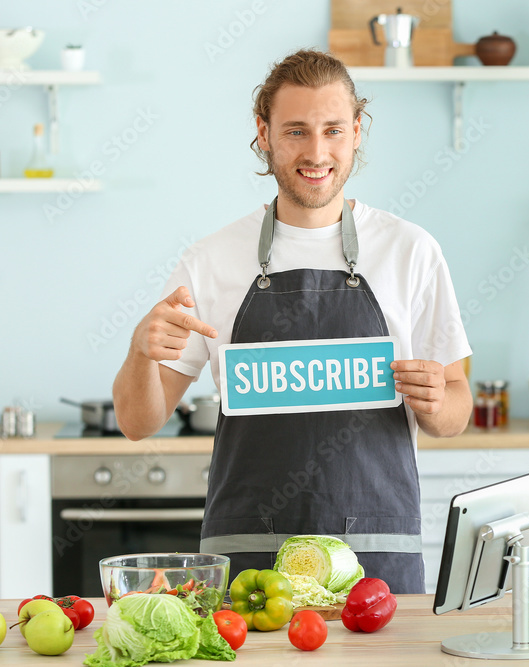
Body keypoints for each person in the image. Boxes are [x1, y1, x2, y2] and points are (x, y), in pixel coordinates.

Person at [112, 49, 473, 594]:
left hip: (375, 561)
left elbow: (456, 408)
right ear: (265, 134)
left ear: (356, 131)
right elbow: (137, 423)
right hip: (247, 563)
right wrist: (141, 352)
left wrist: (437, 402)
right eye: (297, 131)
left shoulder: (412, 251)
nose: (317, 152)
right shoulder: (209, 261)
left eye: (332, 130)